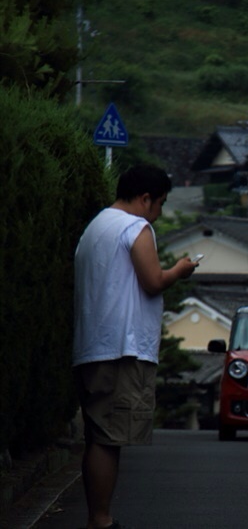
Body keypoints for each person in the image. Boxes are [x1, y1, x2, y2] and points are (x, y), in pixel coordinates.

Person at [73, 164, 198, 529]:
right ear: (145, 199)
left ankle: (98, 516)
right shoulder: (135, 227)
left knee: (97, 434)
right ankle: (102, 520)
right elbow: (153, 281)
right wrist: (180, 270)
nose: (157, 214)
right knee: (109, 439)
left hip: (92, 346)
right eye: (159, 204)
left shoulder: (96, 226)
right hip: (122, 348)